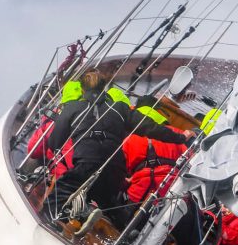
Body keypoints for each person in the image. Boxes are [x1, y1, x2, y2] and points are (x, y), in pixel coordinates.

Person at [46, 71, 190, 223]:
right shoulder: (120, 108)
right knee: (109, 204)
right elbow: (150, 127)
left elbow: (54, 142)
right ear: (105, 88)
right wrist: (180, 137)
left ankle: (55, 224)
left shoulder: (73, 107)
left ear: (82, 89)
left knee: (59, 195)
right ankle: (122, 229)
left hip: (86, 164)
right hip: (115, 169)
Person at [121, 95, 189, 203]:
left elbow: (119, 174)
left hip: (135, 198)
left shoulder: (131, 140)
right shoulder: (181, 142)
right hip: (167, 203)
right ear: (160, 112)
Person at [25, 81, 82, 179]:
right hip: (86, 177)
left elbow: (33, 150)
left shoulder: (52, 118)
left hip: (61, 177)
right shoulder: (94, 117)